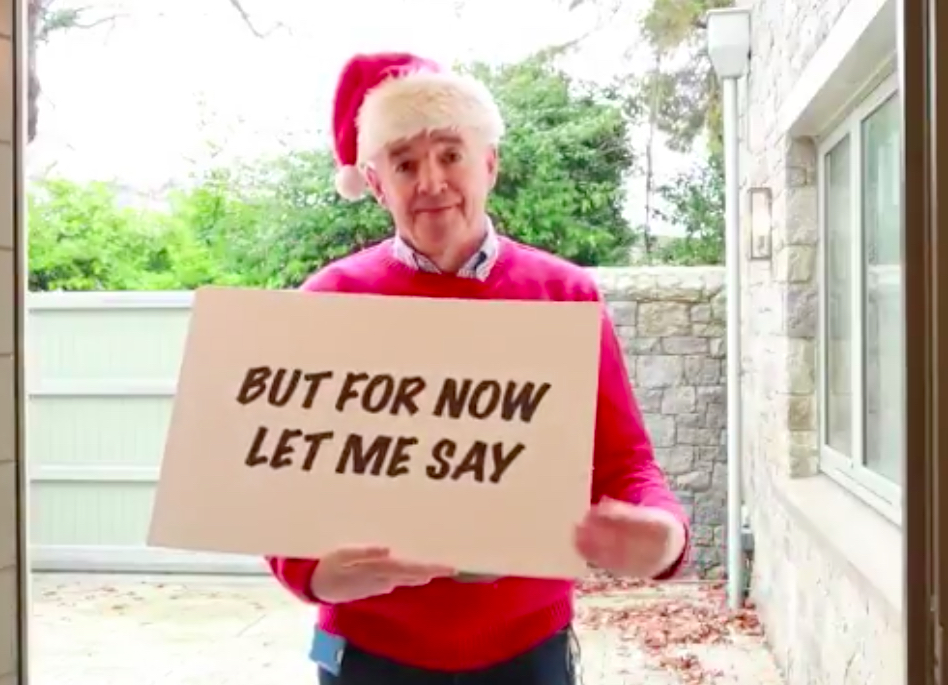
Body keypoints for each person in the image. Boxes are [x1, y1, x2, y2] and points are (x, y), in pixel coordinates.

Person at [265, 51, 690, 685]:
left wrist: (665, 538)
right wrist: (307, 571)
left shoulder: (564, 294)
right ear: (375, 182)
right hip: (370, 653)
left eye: (450, 154)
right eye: (404, 164)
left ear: (489, 162)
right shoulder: (328, 301)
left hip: (526, 650)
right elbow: (281, 479)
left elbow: (626, 460)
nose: (430, 180)